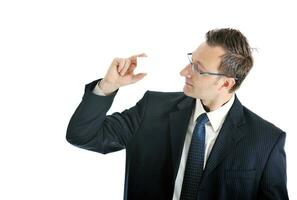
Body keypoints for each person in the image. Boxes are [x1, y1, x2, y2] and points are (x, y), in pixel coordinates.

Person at [66, 28, 289, 200]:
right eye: (191, 61)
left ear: (226, 83)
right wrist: (107, 86)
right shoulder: (152, 108)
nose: (184, 72)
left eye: (198, 69)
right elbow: (82, 135)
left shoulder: (266, 140)